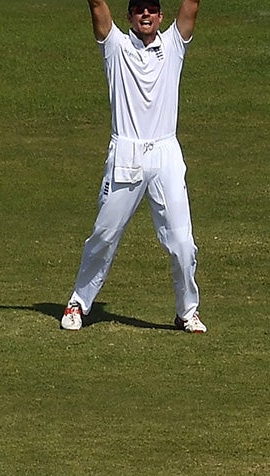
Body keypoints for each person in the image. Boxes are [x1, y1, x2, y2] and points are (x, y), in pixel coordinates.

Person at [61, 0, 206, 333]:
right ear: (129, 16)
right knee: (104, 235)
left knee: (183, 243)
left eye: (151, 10)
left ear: (160, 16)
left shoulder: (173, 46)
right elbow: (97, 5)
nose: (145, 15)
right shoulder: (116, 47)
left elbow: (192, 7)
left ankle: (188, 312)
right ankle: (78, 303)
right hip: (126, 154)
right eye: (139, 9)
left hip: (167, 156)